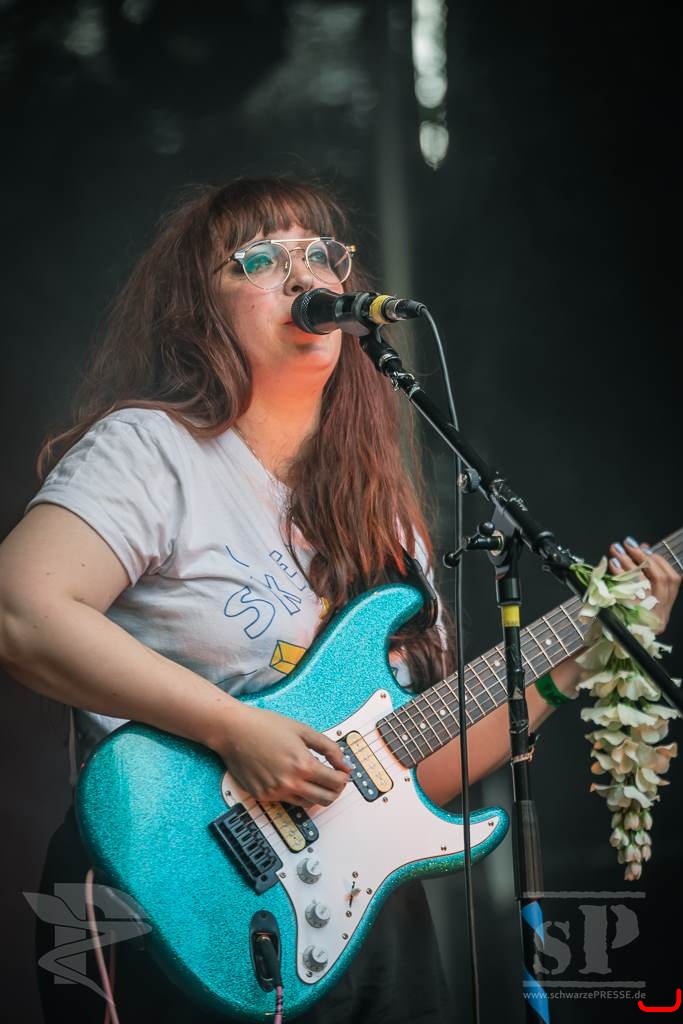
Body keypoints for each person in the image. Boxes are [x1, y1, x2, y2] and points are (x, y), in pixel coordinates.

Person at [0, 177, 679, 1024]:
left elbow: (409, 766)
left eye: (321, 254)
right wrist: (233, 728)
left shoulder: (382, 519)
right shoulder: (152, 451)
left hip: (354, 918)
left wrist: (577, 658)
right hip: (166, 891)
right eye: (259, 259)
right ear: (196, 315)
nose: (304, 274)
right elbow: (21, 612)